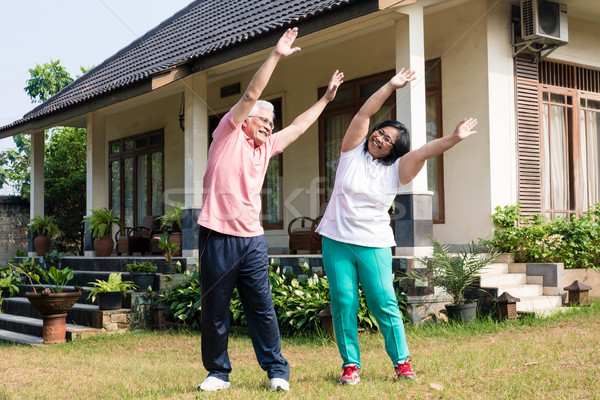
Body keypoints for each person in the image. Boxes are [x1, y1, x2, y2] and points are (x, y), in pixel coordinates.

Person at [196, 27, 343, 392]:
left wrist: (325, 99)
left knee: (261, 307)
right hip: (217, 235)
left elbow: (298, 127)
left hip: (252, 241)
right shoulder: (226, 135)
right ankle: (218, 373)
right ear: (245, 120)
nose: (269, 126)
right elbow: (251, 94)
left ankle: (277, 370)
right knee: (215, 309)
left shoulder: (265, 148)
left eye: (270, 123)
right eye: (263, 120)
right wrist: (276, 55)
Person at [316, 68, 478, 384]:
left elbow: (423, 152)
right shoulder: (351, 152)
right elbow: (365, 111)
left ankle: (401, 362)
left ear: (394, 149)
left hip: (373, 243)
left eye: (388, 139)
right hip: (335, 240)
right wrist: (391, 85)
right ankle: (351, 366)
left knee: (383, 302)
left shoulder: (396, 171)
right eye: (380, 132)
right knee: (343, 302)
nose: (379, 138)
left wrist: (454, 138)